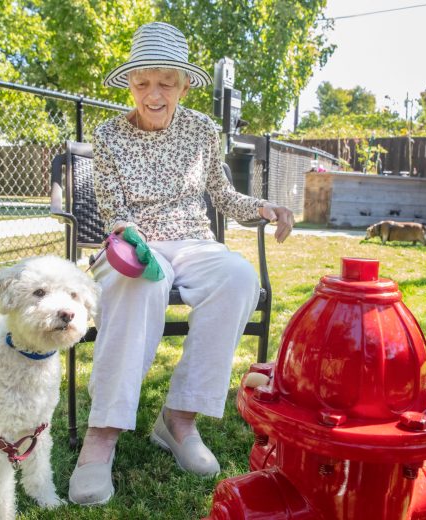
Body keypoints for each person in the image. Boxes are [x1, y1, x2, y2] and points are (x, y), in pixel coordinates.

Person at [69, 21, 294, 506]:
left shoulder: (204, 130)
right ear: (129, 83)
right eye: (142, 82)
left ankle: (179, 418)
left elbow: (222, 194)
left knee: (238, 277)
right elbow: (114, 210)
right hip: (134, 241)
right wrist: (133, 240)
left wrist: (262, 207)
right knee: (143, 284)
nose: (153, 94)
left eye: (165, 82)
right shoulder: (108, 135)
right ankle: (102, 434)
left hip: (194, 241)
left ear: (185, 84)